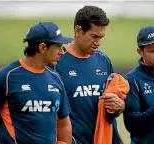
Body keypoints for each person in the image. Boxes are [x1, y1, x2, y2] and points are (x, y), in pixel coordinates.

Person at [0, 22, 73, 144]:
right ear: (42, 47)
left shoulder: (56, 78)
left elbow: (64, 124)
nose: (62, 52)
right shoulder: (6, 76)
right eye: (58, 46)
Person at [54, 6, 126, 144]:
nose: (98, 42)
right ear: (78, 30)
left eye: (101, 37)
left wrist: (119, 106)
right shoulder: (57, 62)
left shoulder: (103, 61)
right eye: (94, 36)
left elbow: (113, 107)